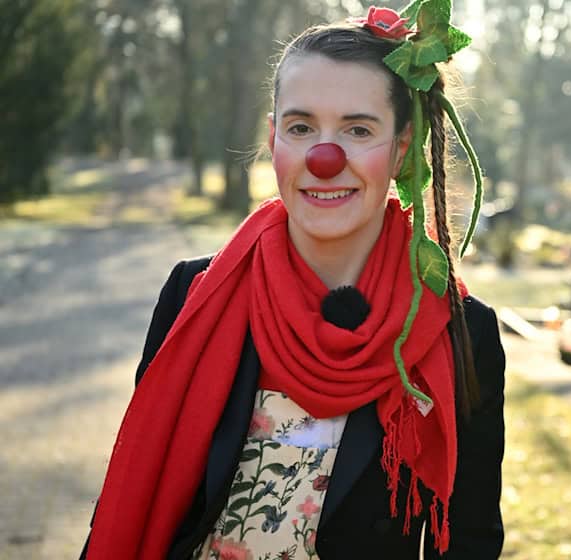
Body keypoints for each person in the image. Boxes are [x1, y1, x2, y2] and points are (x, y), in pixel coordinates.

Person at [82, 4, 504, 559]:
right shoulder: (194, 293)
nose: (324, 158)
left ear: (401, 148)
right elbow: (133, 486)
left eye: (358, 129)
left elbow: (470, 542)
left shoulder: (460, 332)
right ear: (274, 137)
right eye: (301, 128)